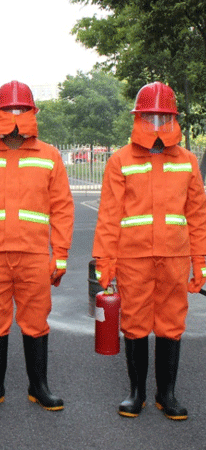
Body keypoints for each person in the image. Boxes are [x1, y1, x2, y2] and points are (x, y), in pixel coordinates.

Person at [0, 81, 74, 413]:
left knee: (36, 320)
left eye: (22, 110)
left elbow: (62, 208)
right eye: (10, 110)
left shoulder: (49, 156)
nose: (16, 117)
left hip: (34, 255)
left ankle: (39, 387)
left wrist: (60, 254)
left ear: (33, 113)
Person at [93, 82, 206, 421]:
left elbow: (198, 216)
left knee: (172, 324)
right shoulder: (120, 160)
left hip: (174, 256)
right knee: (135, 323)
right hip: (134, 258)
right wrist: (105, 262)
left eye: (163, 117)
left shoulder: (187, 161)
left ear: (173, 119)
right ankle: (137, 393)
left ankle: (166, 394)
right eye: (150, 117)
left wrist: (200, 262)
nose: (156, 125)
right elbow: (109, 216)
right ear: (138, 118)